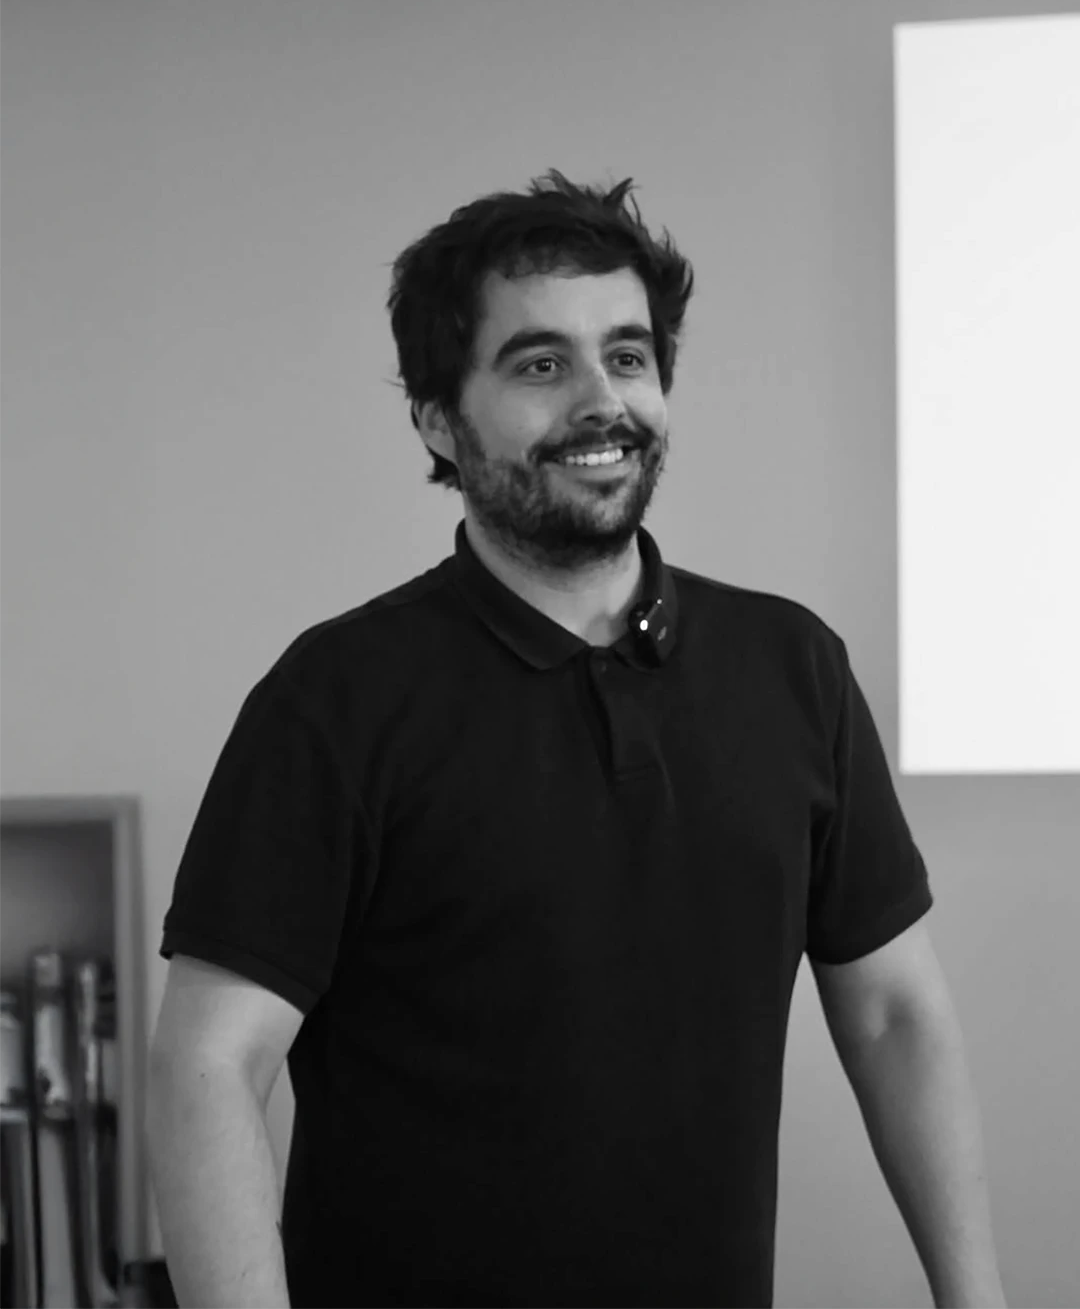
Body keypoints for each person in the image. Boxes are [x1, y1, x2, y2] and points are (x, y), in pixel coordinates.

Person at [145, 170, 935, 1309]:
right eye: (539, 363)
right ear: (436, 416)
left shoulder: (793, 664)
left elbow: (895, 1011)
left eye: (627, 354)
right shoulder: (336, 698)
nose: (600, 399)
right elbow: (209, 1062)